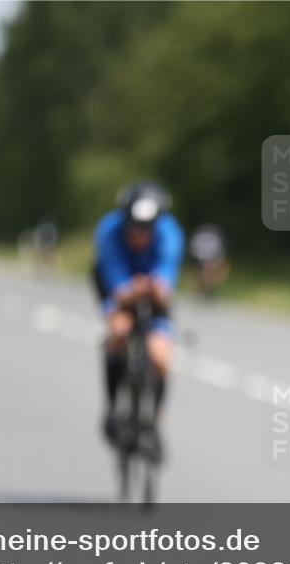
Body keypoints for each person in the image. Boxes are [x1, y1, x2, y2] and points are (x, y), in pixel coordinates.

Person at [92, 182, 184, 452]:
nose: (140, 235)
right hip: (117, 286)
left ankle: (154, 423)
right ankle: (111, 407)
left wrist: (156, 289)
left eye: (147, 229)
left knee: (161, 357)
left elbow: (166, 280)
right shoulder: (109, 231)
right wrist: (130, 292)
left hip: (151, 294)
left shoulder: (170, 233)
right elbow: (116, 286)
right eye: (134, 227)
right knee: (119, 333)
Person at [188, 223, 229, 298]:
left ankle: (206, 289)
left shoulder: (212, 238)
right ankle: (202, 289)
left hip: (210, 254)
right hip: (202, 254)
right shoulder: (205, 238)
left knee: (210, 269)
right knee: (205, 270)